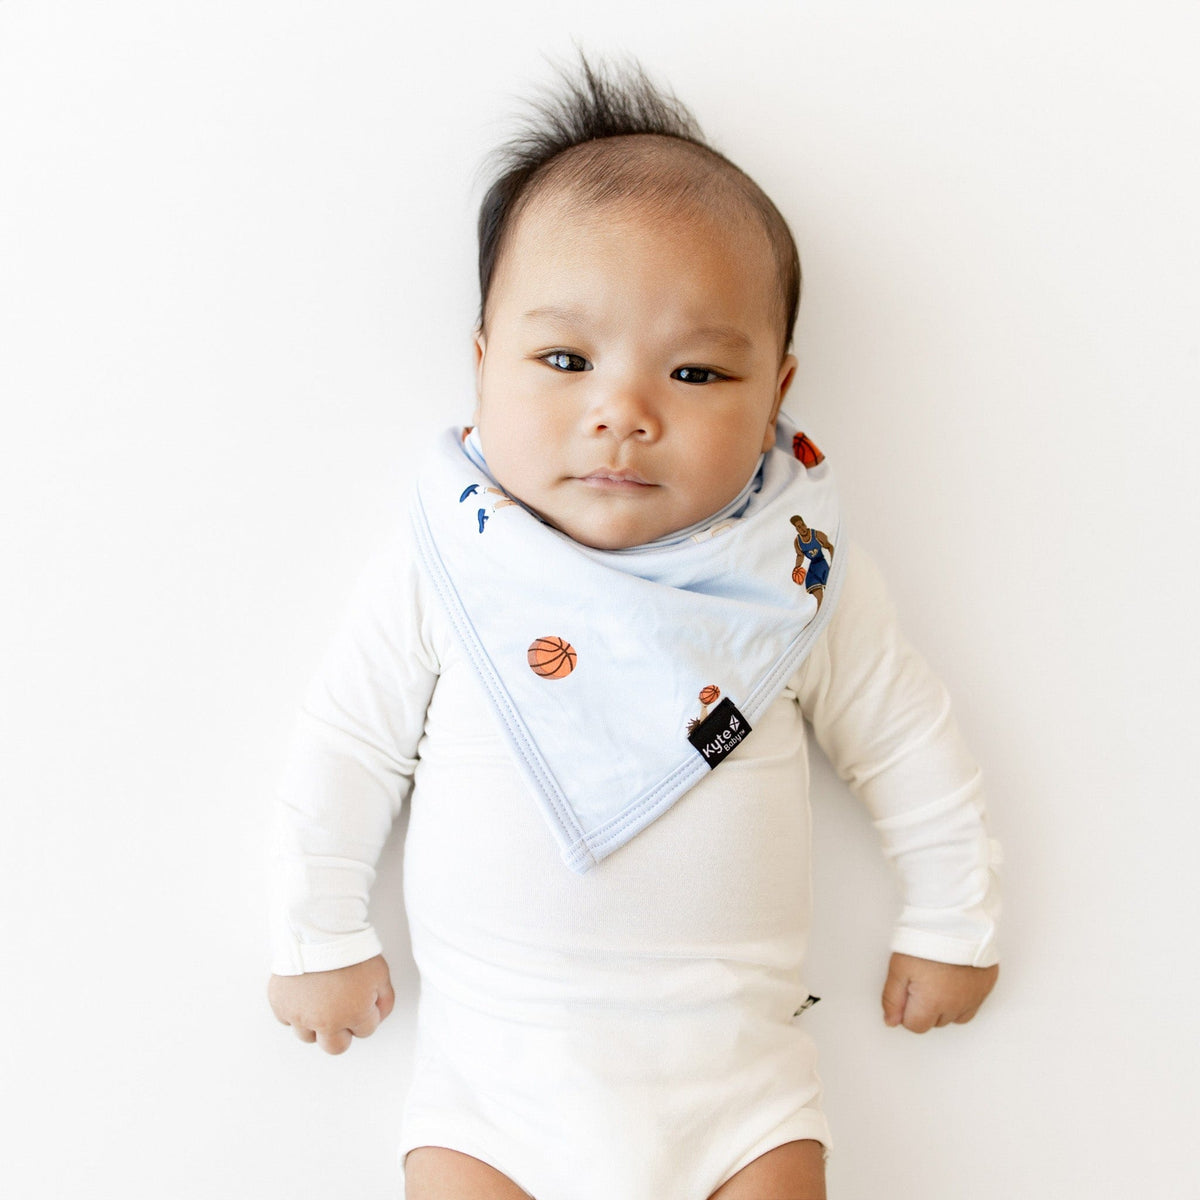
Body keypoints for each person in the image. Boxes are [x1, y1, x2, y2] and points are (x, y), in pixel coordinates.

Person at [267, 56, 1000, 1200]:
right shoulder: (451, 563)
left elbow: (906, 741)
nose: (623, 412)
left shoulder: (792, 581)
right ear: (479, 365)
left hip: (738, 1091)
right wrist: (318, 931)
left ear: (775, 399)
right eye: (565, 360)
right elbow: (348, 743)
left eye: (698, 370)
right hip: (492, 1093)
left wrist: (954, 915)